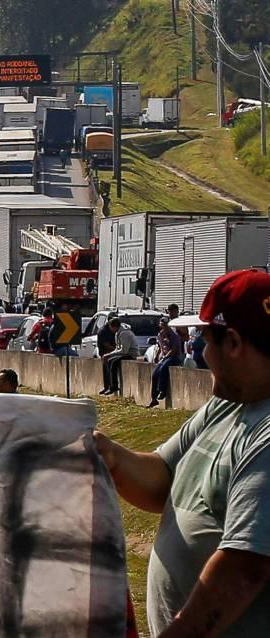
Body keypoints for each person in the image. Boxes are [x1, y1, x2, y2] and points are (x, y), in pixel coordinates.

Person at [94, 270, 270, 637]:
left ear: (234, 342)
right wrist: (109, 455)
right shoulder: (229, 404)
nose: (203, 353)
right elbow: (163, 478)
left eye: (206, 340)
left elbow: (243, 568)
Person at [148, 316, 184, 408]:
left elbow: (174, 350)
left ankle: (162, 391)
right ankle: (153, 398)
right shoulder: (160, 335)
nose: (164, 327)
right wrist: (157, 356)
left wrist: (165, 357)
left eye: (166, 325)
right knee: (155, 373)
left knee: (164, 367)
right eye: (162, 325)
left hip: (174, 357)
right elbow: (160, 347)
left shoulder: (174, 336)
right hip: (164, 357)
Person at [100, 318, 138, 395]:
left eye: (110, 327)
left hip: (130, 354)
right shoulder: (118, 333)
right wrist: (109, 355)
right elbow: (118, 348)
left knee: (113, 362)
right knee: (108, 361)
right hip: (124, 353)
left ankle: (114, 387)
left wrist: (109, 354)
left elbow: (124, 350)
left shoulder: (124, 333)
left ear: (114, 326)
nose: (110, 329)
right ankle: (108, 386)